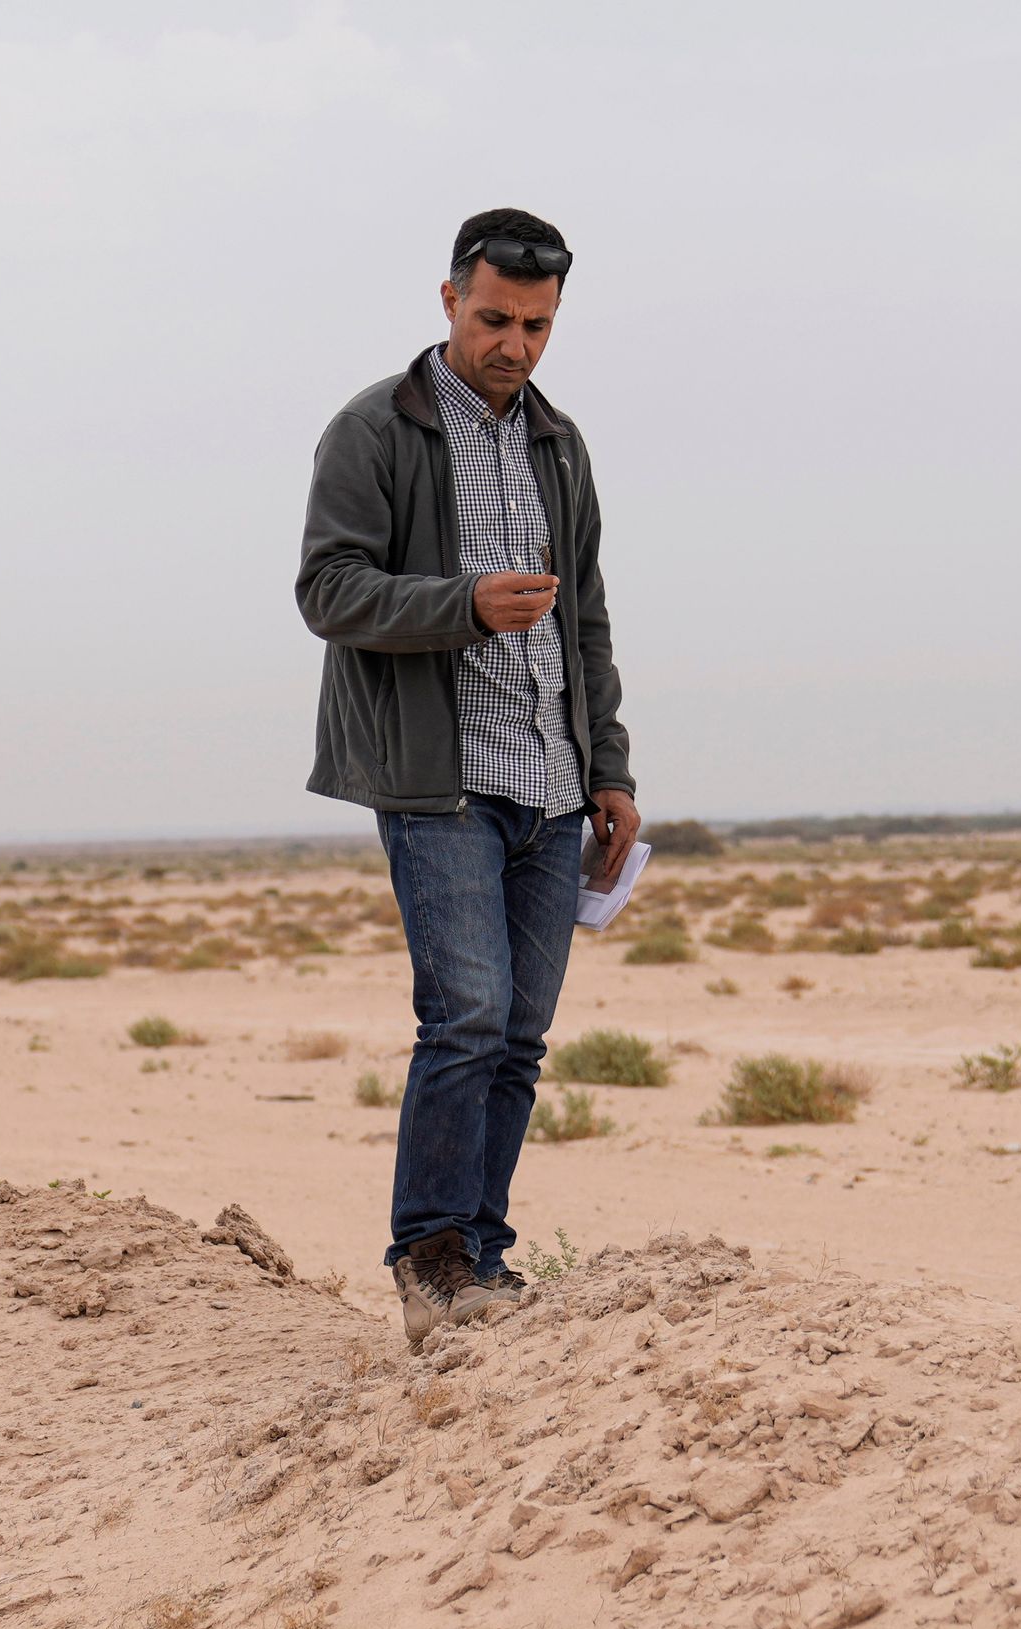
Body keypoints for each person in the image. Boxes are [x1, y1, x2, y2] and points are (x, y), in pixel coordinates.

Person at [297, 206, 642, 1348]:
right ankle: (431, 1259)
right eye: (495, 319)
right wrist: (461, 606)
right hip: (437, 782)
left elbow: (584, 617)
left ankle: (485, 1256)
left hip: (550, 782)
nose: (516, 346)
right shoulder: (374, 431)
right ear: (449, 300)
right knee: (468, 1018)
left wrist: (611, 768)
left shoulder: (561, 445)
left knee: (522, 1038)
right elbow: (328, 592)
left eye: (538, 326)